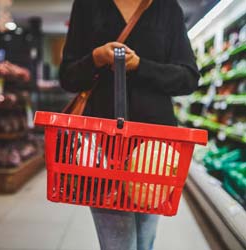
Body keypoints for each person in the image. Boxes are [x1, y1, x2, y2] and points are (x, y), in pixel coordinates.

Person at [59, 0, 200, 249]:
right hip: (101, 146)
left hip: (155, 151)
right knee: (117, 244)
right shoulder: (87, 5)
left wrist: (139, 66)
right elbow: (68, 76)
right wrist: (96, 58)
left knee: (145, 241)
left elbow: (188, 78)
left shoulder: (166, 8)